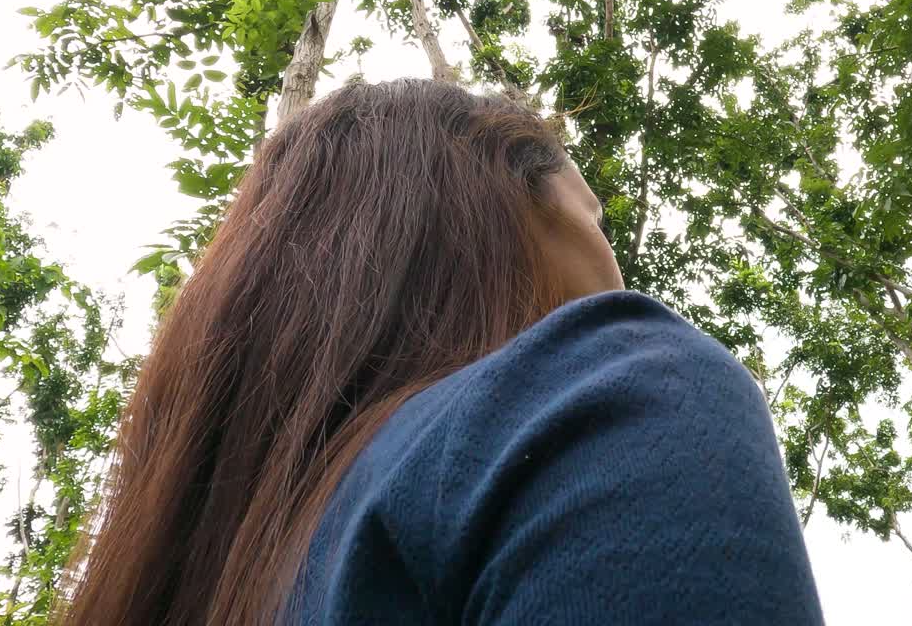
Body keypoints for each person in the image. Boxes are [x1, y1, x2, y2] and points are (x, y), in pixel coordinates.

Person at [59, 80, 825, 625]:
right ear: (517, 210)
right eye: (597, 219)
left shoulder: (196, 573)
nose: (617, 271)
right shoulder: (608, 393)